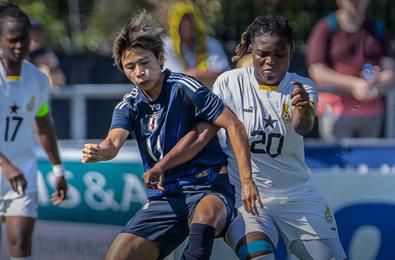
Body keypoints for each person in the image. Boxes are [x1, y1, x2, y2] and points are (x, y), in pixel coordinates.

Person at [146, 15, 347, 259]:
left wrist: (304, 109)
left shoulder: (301, 87)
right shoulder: (230, 83)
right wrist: (163, 165)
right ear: (251, 50)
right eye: (263, 54)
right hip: (248, 199)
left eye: (279, 55)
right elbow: (201, 135)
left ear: (291, 51)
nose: (270, 62)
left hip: (298, 196)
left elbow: (302, 126)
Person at [81, 11, 260, 260]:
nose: (139, 72)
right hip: (165, 198)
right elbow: (113, 141)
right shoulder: (129, 104)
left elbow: (234, 126)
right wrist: (101, 152)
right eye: (130, 67)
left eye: (144, 63)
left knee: (206, 217)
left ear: (160, 58)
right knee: (117, 256)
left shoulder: (185, 87)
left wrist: (247, 181)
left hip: (208, 188)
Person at [0, 3, 68, 259]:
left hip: (22, 172)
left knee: (20, 245)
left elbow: (42, 125)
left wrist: (58, 170)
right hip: (7, 168)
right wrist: (4, 165)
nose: (19, 46)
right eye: (12, 40)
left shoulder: (38, 79)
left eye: (24, 39)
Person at [306, 0, 395, 140]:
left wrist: (378, 79)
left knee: (367, 161)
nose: (356, 3)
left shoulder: (378, 29)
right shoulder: (325, 28)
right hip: (335, 112)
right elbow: (316, 70)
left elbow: (389, 71)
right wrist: (353, 84)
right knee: (336, 160)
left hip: (371, 113)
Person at [163, 1, 231, 87]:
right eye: (182, 21)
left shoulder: (211, 43)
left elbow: (224, 74)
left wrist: (192, 74)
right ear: (175, 24)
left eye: (190, 20)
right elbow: (174, 79)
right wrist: (204, 75)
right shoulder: (168, 45)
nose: (187, 25)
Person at [29, 19, 66, 87]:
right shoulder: (18, 55)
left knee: (43, 69)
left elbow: (60, 82)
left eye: (38, 33)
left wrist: (52, 68)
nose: (36, 36)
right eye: (32, 33)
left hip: (43, 94)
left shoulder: (48, 55)